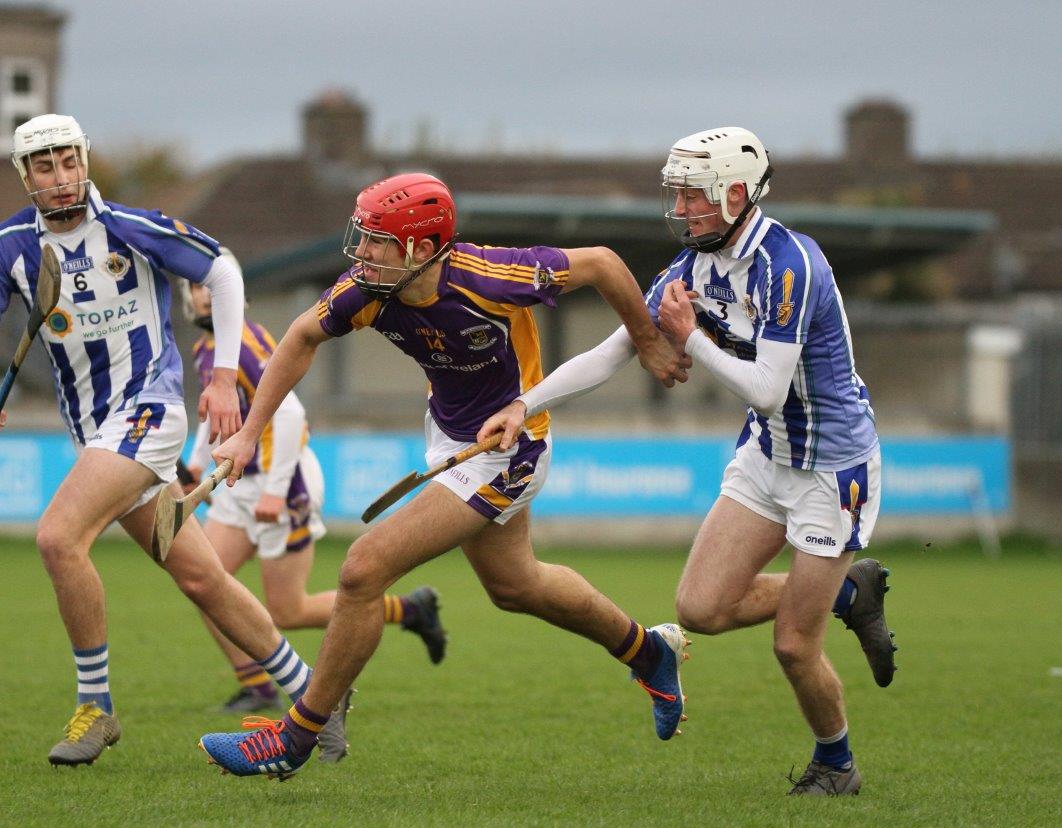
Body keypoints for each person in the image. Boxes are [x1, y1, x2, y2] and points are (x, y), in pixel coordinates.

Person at [195, 172, 692, 780]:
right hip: (451, 437)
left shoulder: (494, 276)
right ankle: (650, 651)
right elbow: (300, 337)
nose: (362, 254)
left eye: (378, 242)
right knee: (516, 587)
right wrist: (249, 432)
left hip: (512, 446)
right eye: (364, 237)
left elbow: (606, 264)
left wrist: (646, 339)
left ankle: (297, 735)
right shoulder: (367, 289)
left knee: (362, 569)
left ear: (423, 250)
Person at [479, 127, 896, 796]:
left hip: (832, 468)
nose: (680, 209)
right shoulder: (689, 270)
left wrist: (690, 337)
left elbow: (767, 387)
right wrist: (522, 405)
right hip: (767, 453)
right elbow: (613, 352)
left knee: (793, 644)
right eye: (675, 195)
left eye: (692, 196)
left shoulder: (789, 263)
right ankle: (849, 591)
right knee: (700, 605)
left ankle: (836, 765)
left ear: (736, 194)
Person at [0, 114, 347, 767]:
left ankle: (95, 708)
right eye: (44, 167)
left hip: (151, 414)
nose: (61, 177)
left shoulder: (131, 227)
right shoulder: (8, 248)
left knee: (57, 537)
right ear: (26, 177)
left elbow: (222, 269)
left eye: (69, 161)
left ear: (84, 160)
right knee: (202, 578)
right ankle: (315, 695)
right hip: (96, 435)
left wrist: (221, 379)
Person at [176, 264, 447, 713]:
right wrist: (195, 467)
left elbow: (289, 416)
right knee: (202, 582)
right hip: (240, 482)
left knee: (288, 611)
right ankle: (256, 687)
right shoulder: (209, 348)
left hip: (284, 482)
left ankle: (410, 610)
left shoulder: (244, 345)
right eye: (194, 287)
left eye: (210, 286)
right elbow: (215, 414)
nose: (203, 295)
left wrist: (275, 491)